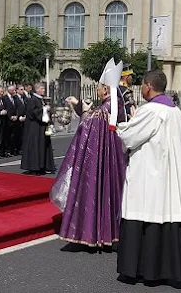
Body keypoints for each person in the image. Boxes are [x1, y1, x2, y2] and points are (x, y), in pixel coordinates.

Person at [116, 70, 181, 288]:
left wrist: (122, 126)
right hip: (167, 175)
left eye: (141, 84)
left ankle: (139, 269)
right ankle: (164, 270)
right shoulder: (176, 112)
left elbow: (129, 137)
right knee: (163, 216)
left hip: (148, 174)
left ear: (149, 86)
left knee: (143, 214)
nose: (140, 88)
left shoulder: (150, 110)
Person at [50, 58, 127, 248]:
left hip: (102, 158)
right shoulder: (116, 106)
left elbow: (88, 126)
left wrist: (83, 111)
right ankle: (109, 232)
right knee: (109, 191)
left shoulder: (105, 109)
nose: (98, 90)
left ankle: (95, 233)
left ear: (106, 90)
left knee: (97, 188)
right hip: (113, 158)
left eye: (100, 87)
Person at [20, 82, 54, 175]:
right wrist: (44, 109)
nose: (43, 90)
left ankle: (42, 166)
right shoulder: (33, 99)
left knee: (42, 146)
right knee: (35, 146)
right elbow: (32, 113)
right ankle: (34, 167)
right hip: (34, 128)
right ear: (38, 89)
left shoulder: (41, 99)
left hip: (41, 127)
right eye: (42, 89)